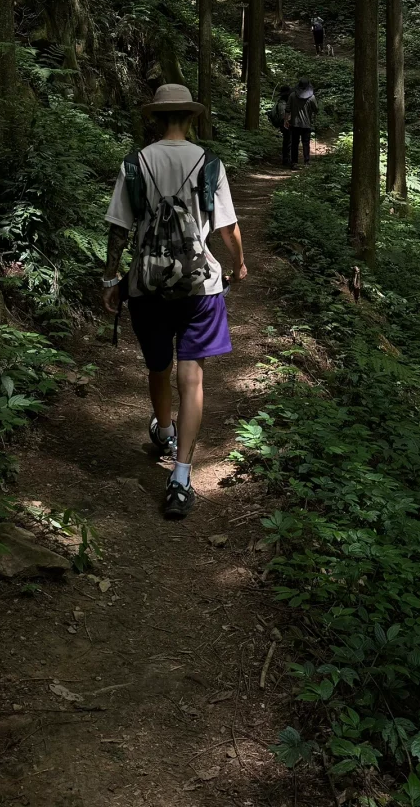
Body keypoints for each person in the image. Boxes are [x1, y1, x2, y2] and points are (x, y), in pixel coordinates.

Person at [101, 83, 248, 519]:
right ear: (191, 118)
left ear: (156, 119)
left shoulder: (134, 163)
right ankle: (182, 474)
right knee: (192, 377)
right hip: (199, 286)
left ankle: (163, 429)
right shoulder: (209, 163)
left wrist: (112, 278)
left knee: (157, 365)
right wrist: (238, 263)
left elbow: (118, 228)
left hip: (146, 285)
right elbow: (226, 227)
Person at [285, 77, 318, 165]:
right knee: (306, 143)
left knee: (294, 143)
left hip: (295, 124)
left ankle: (294, 162)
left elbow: (287, 109)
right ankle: (306, 161)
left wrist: (286, 120)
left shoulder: (292, 95)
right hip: (306, 124)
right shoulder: (312, 97)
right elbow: (316, 109)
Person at [267, 83, 294, 166]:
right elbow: (283, 116)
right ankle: (287, 160)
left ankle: (288, 160)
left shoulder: (284, 102)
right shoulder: (282, 103)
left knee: (288, 142)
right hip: (286, 125)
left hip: (287, 124)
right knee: (288, 142)